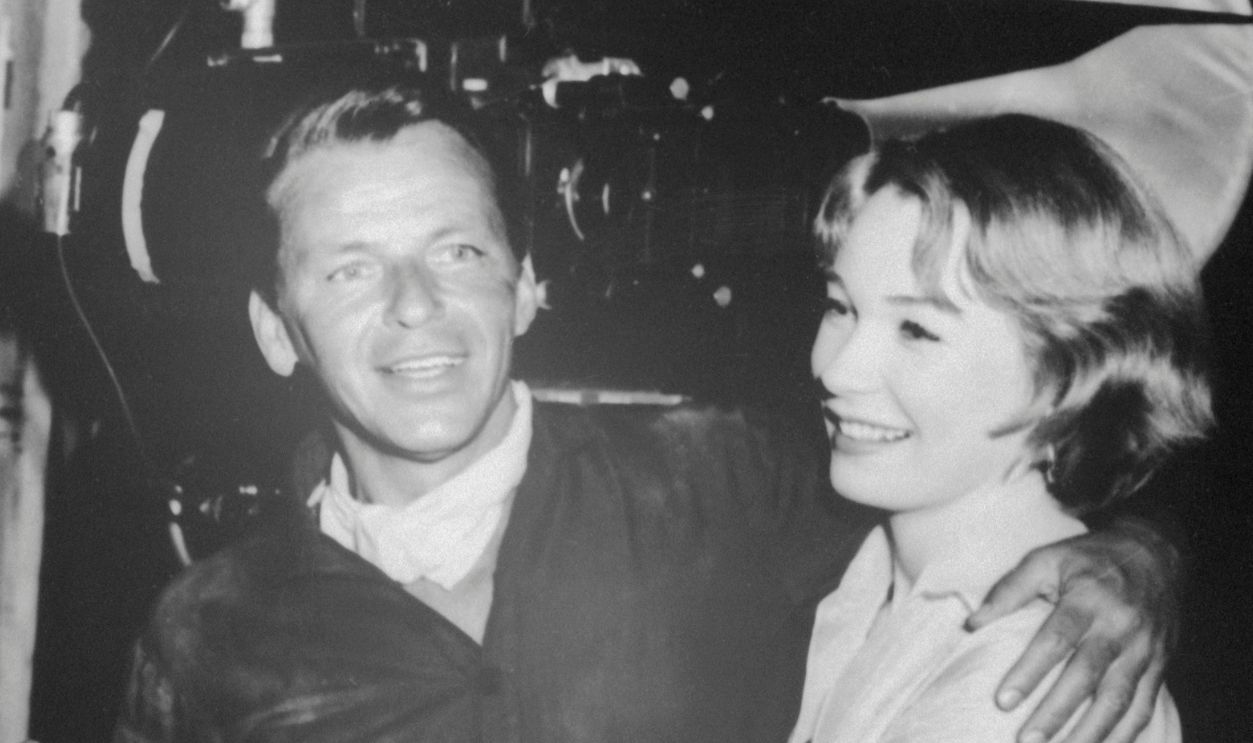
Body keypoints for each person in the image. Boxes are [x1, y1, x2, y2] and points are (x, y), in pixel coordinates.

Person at [115, 81, 1183, 743]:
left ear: (527, 284)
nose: (414, 307)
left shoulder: (727, 477)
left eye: (457, 252)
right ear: (272, 327)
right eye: (350, 271)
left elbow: (999, 464)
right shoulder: (207, 630)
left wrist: (1132, 557)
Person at [790, 114, 1209, 743]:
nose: (838, 370)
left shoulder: (1022, 678)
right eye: (841, 307)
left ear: (1066, 374)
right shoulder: (872, 581)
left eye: (917, 330)